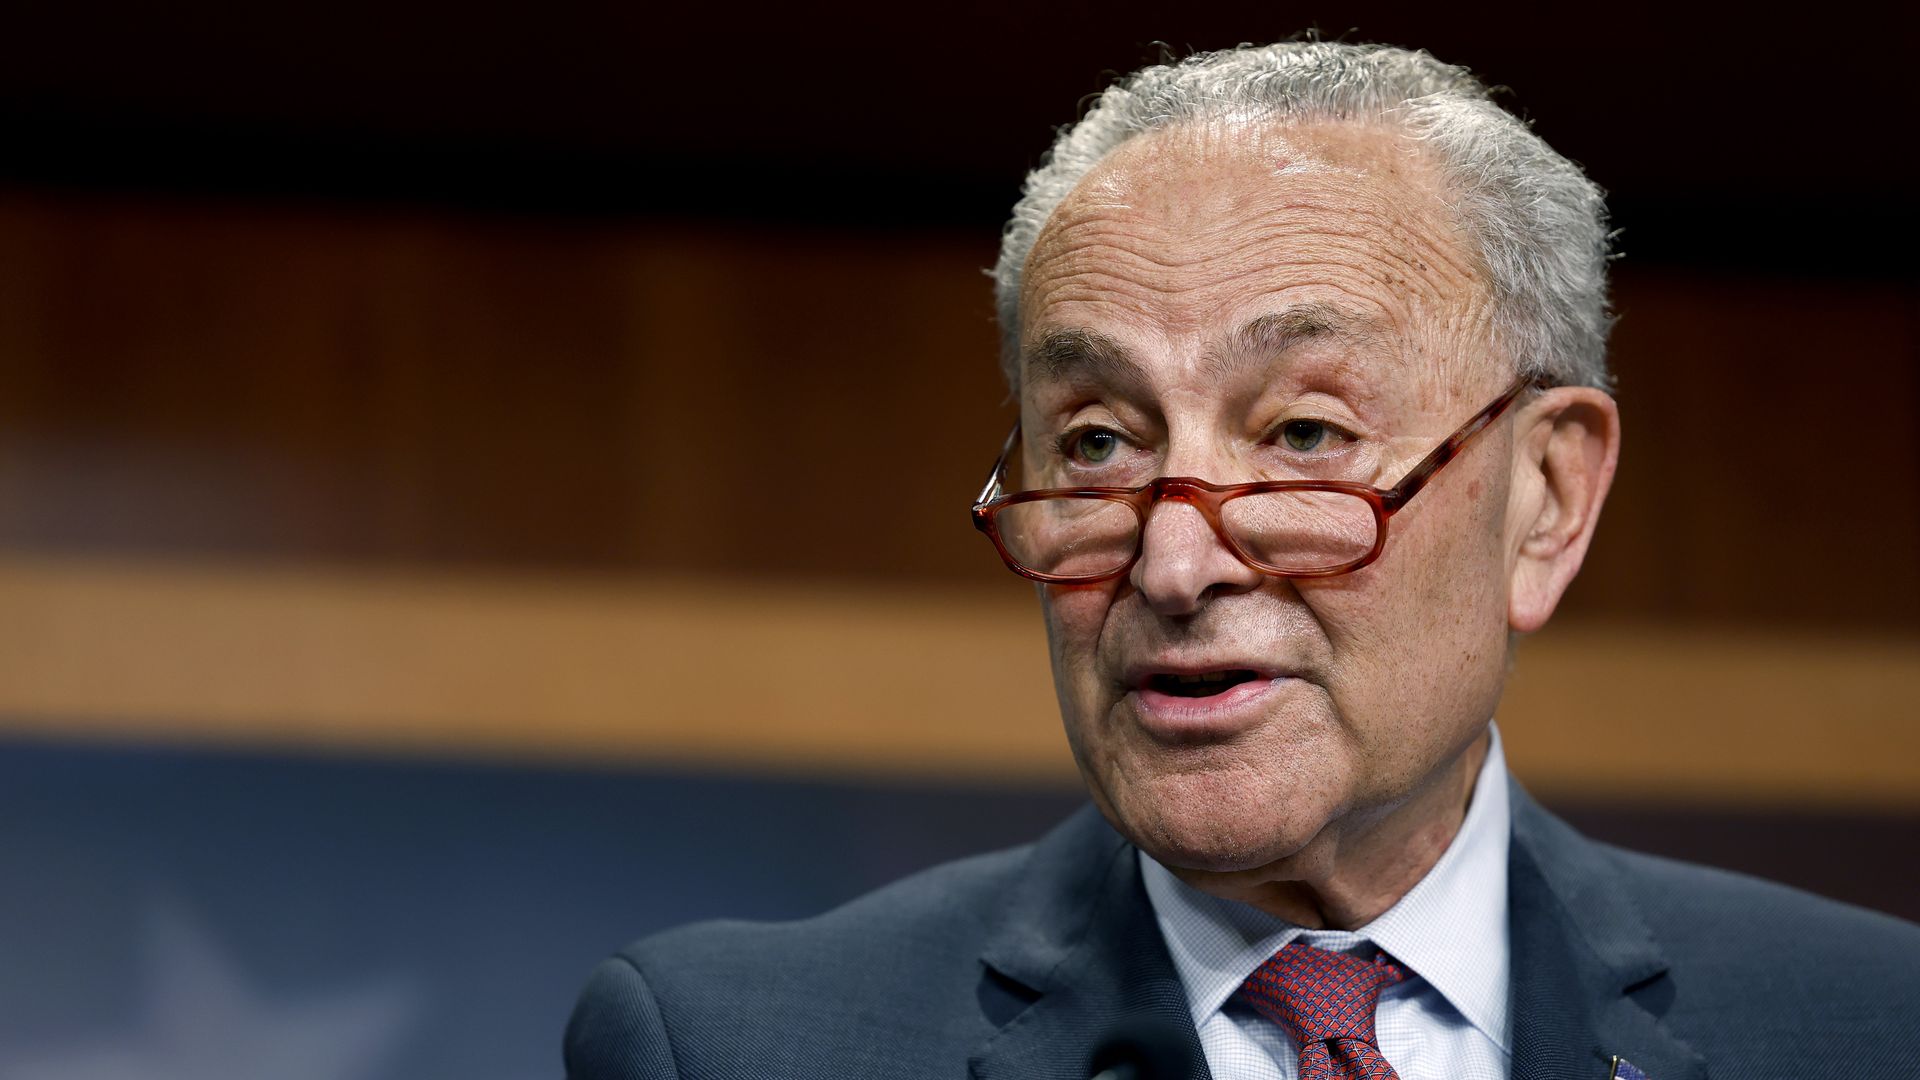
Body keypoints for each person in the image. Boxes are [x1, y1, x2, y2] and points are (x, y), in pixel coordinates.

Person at [564, 41, 1920, 1079]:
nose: (1172, 560)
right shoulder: (739, 1048)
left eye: (1303, 431)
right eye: (1095, 443)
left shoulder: (1865, 1027)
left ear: (1548, 498)